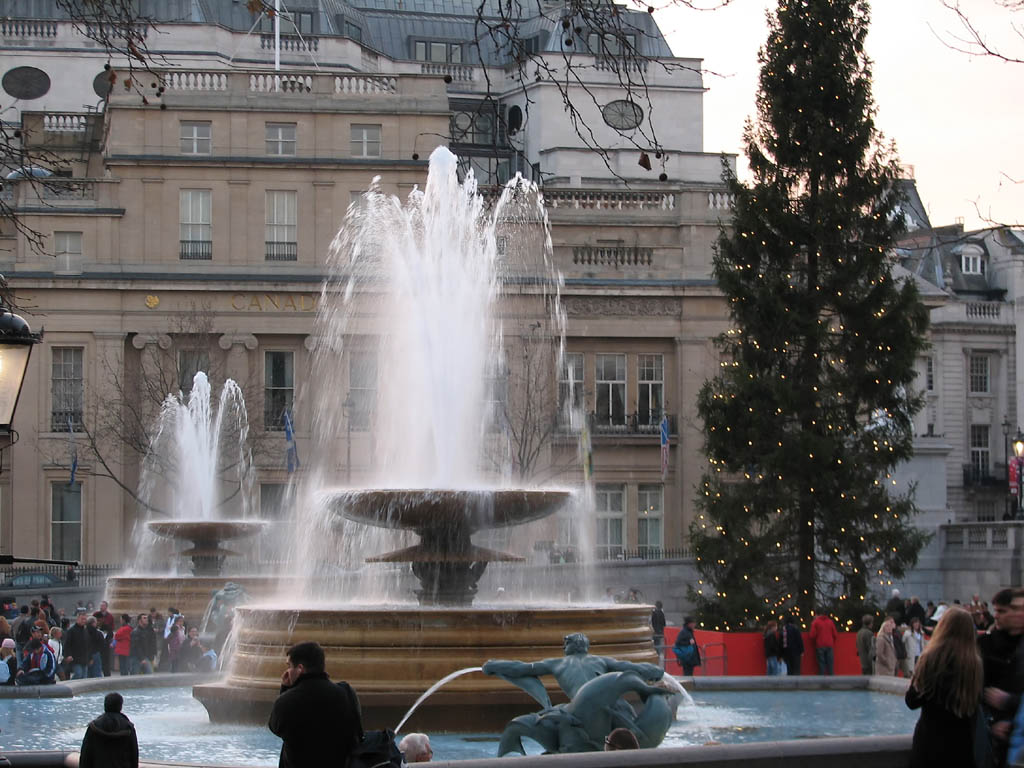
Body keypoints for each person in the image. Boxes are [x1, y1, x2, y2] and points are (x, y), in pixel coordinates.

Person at [905, 607, 983, 768]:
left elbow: (912, 701)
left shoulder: (931, 659)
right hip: (961, 747)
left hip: (929, 744)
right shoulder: (974, 664)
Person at [268, 641, 363, 768]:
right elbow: (356, 729)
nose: (287, 671)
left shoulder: (288, 700)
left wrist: (285, 689)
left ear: (300, 669)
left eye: (289, 666)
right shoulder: (346, 693)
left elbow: (275, 727)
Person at [979, 587, 1024, 760]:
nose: (996, 615)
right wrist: (992, 722)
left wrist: (1008, 702)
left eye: (1002, 611)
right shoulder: (985, 645)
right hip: (996, 737)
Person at [79, 691, 139, 768]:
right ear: (120, 706)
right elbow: (134, 755)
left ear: (105, 705)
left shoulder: (93, 727)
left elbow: (85, 756)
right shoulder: (128, 728)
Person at [64, 611, 93, 679]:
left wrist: (90, 657)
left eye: (85, 619)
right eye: (82, 619)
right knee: (78, 674)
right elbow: (67, 644)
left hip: (84, 658)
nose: (83, 621)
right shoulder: (71, 630)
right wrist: (68, 655)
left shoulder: (86, 630)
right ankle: (71, 685)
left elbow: (89, 645)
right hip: (75, 658)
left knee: (84, 677)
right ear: (77, 619)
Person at [809, 609, 837, 675]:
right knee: (830, 664)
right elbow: (835, 634)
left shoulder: (815, 622)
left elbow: (812, 635)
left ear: (817, 615)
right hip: (830, 644)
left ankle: (822, 681)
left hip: (820, 645)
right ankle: (832, 679)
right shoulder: (830, 622)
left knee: (821, 664)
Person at [93, 601, 116, 677]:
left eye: (103, 605)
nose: (101, 607)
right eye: (100, 605)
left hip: (105, 646)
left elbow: (111, 631)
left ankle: (107, 675)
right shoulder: (96, 614)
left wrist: (108, 641)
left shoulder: (109, 617)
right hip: (96, 648)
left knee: (106, 662)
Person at [650, 601, 666, 667]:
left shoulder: (653, 613)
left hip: (654, 632)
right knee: (658, 645)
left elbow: (651, 622)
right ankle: (657, 658)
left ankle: (654, 659)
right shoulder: (662, 613)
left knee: (654, 645)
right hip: (660, 632)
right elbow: (664, 623)